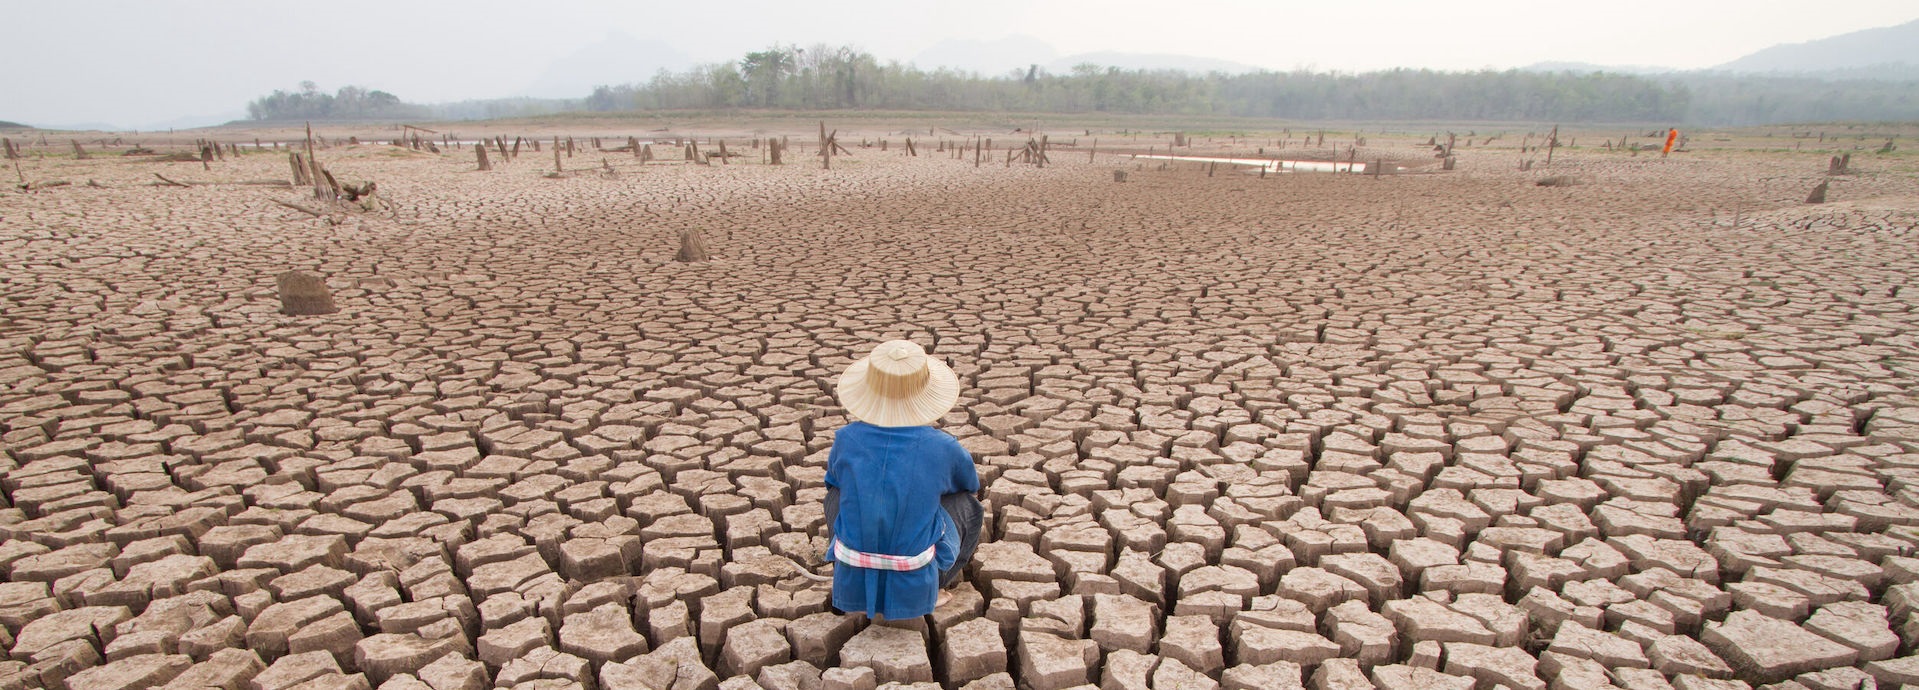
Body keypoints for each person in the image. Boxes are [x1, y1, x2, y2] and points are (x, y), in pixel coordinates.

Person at [823, 339, 982, 621]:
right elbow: (968, 484)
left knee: (837, 493)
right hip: (915, 584)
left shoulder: (845, 439)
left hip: (852, 579)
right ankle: (936, 584)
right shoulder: (943, 447)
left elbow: (832, 480)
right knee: (966, 504)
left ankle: (853, 583)